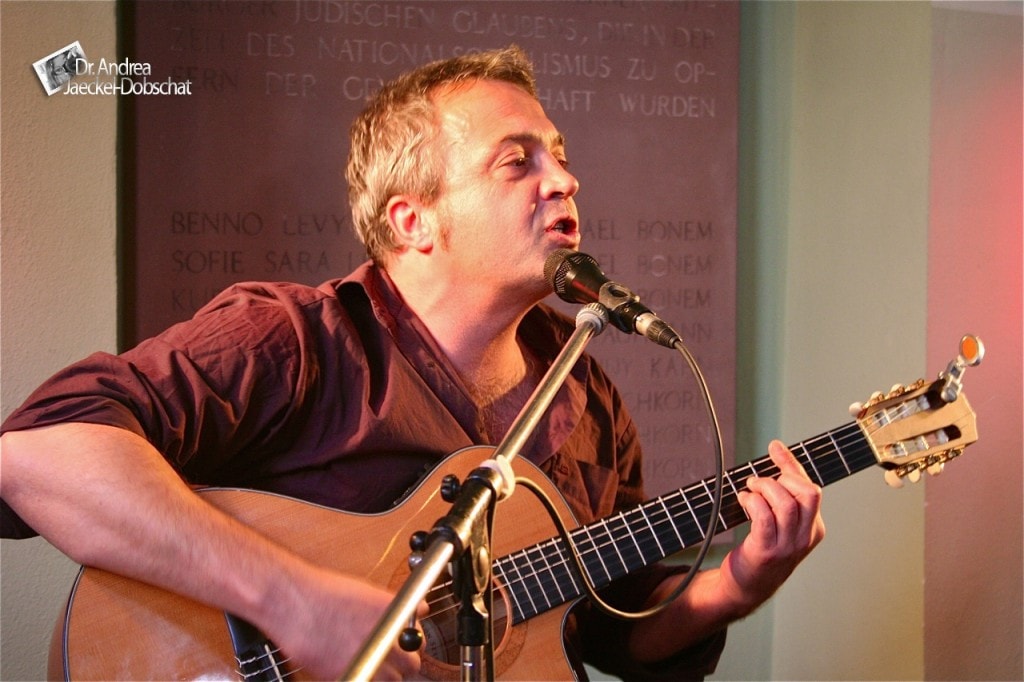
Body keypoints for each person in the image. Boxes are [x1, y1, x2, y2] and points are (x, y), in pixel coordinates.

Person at [0, 46, 824, 680]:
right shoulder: (296, 340)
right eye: (518, 161)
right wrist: (292, 602)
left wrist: (736, 584)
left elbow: (605, 622)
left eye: (560, 155)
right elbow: (38, 452)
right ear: (414, 220)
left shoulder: (588, 396)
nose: (565, 178)